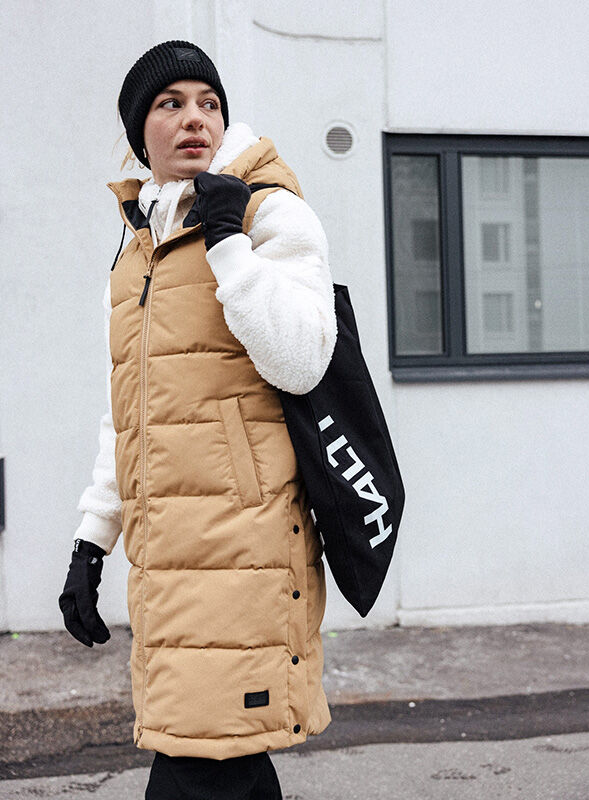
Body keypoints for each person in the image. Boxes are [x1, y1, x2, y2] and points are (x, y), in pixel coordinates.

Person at [58, 40, 337, 799]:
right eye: (170, 104)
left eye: (208, 102)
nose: (194, 119)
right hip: (166, 552)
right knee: (200, 756)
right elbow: (133, 412)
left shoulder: (267, 208)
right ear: (137, 131)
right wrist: (93, 539)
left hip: (242, 544)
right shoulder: (137, 250)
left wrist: (231, 245)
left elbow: (303, 358)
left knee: (211, 763)